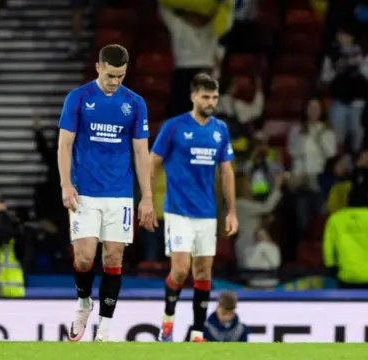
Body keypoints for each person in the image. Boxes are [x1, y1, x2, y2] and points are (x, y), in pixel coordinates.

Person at [57, 44, 156, 342]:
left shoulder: (135, 103)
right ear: (98, 67)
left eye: (121, 76)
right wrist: (65, 183)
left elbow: (141, 151)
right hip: (85, 190)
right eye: (111, 75)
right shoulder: (78, 98)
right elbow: (65, 144)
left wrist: (147, 196)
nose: (115, 81)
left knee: (113, 258)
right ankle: (84, 303)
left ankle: (105, 327)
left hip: (120, 193)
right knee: (85, 257)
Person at [151, 73, 238, 342]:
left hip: (207, 214)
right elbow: (152, 162)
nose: (210, 102)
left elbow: (226, 172)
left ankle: (198, 332)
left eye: (214, 97)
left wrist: (232, 211)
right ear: (193, 97)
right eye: (205, 97)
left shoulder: (220, 130)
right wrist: (145, 199)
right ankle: (168, 320)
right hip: (177, 211)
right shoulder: (174, 127)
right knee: (180, 270)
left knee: (203, 272)